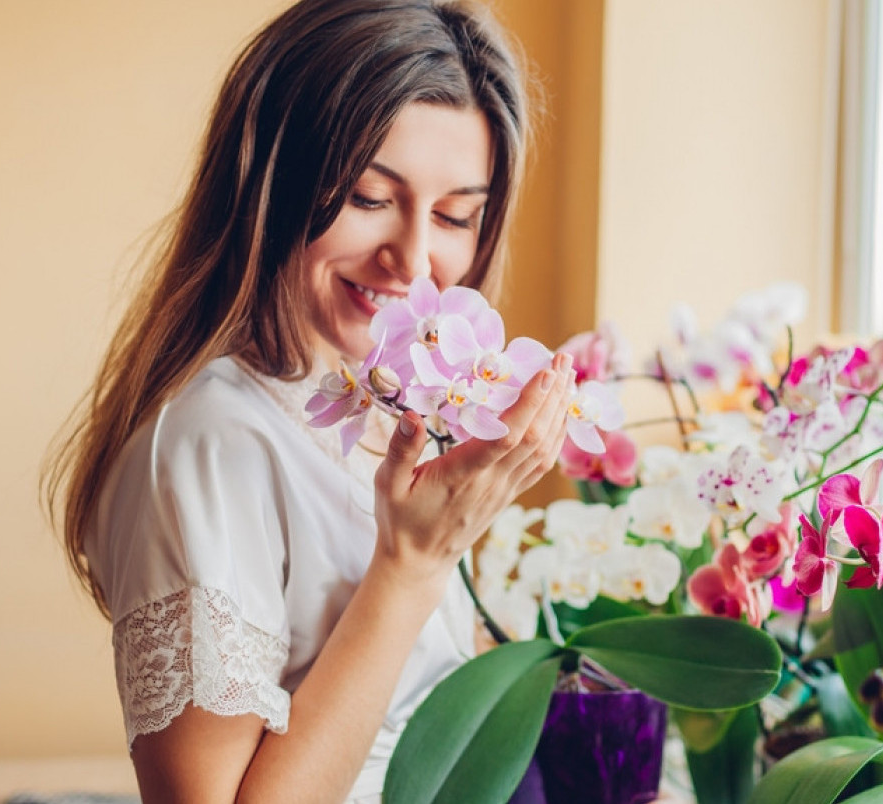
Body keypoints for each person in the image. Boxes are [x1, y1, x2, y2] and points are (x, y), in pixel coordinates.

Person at [43, 1, 572, 801]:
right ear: (267, 185)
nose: (416, 261)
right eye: (367, 197)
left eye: (458, 214)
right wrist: (411, 567)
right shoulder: (210, 444)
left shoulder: (380, 407)